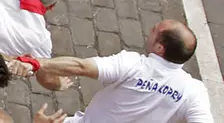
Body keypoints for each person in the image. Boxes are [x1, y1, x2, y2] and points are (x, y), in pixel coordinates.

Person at [17, 19, 214, 122]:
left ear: (160, 48)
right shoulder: (194, 92)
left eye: (155, 30)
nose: (150, 31)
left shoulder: (134, 64)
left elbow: (81, 67)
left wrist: (36, 63)